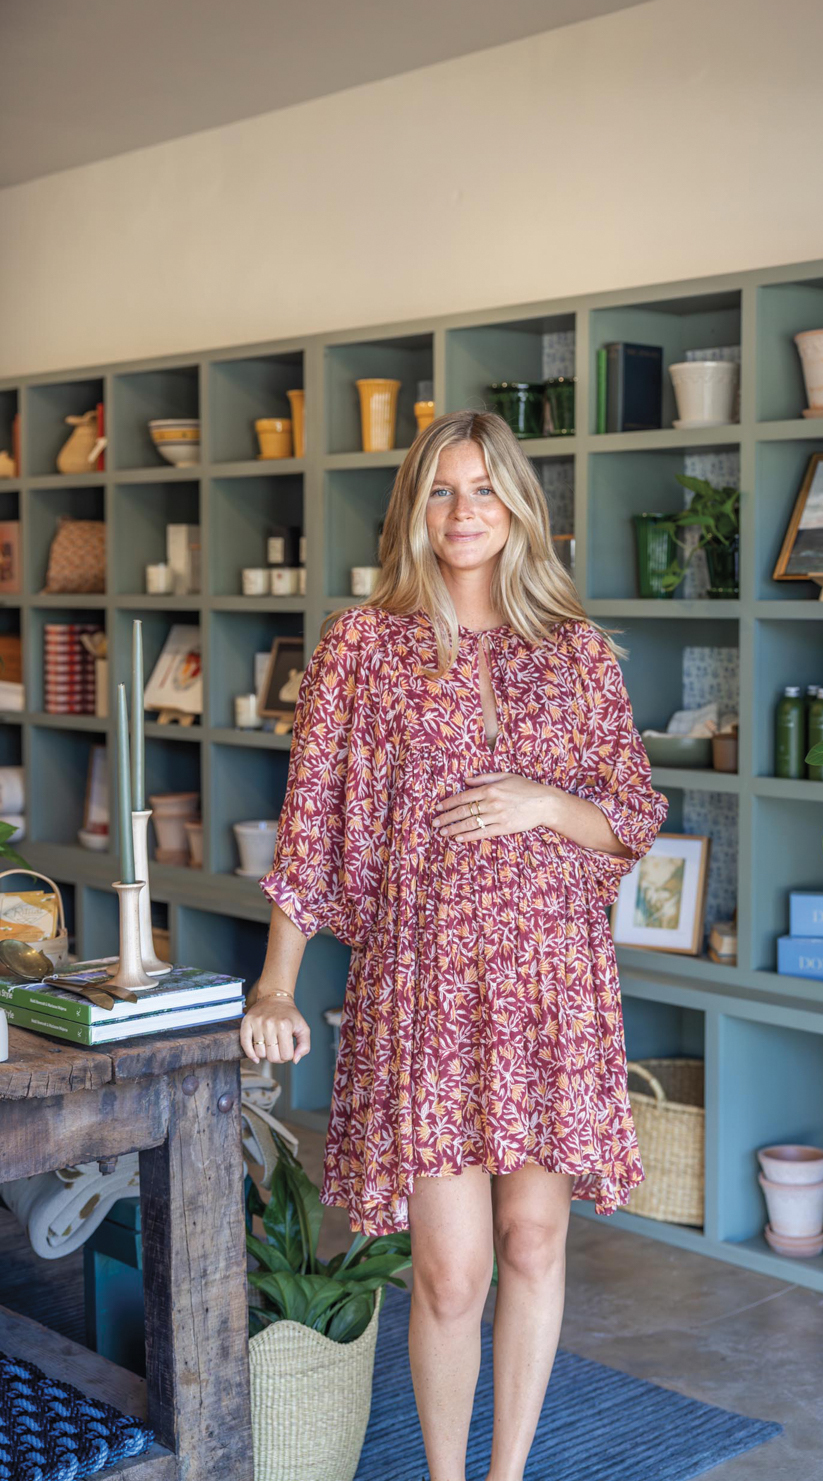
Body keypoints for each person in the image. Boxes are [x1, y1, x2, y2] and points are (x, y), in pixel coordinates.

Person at [241, 408, 670, 1481]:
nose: (463, 511)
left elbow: (631, 819)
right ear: (412, 511)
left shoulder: (576, 653)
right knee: (450, 1271)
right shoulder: (362, 645)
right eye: (441, 490)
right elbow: (315, 822)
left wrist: (540, 801)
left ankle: (506, 1473)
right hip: (426, 988)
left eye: (483, 489)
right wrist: (276, 984)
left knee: (534, 1242)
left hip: (553, 987)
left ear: (518, 506)